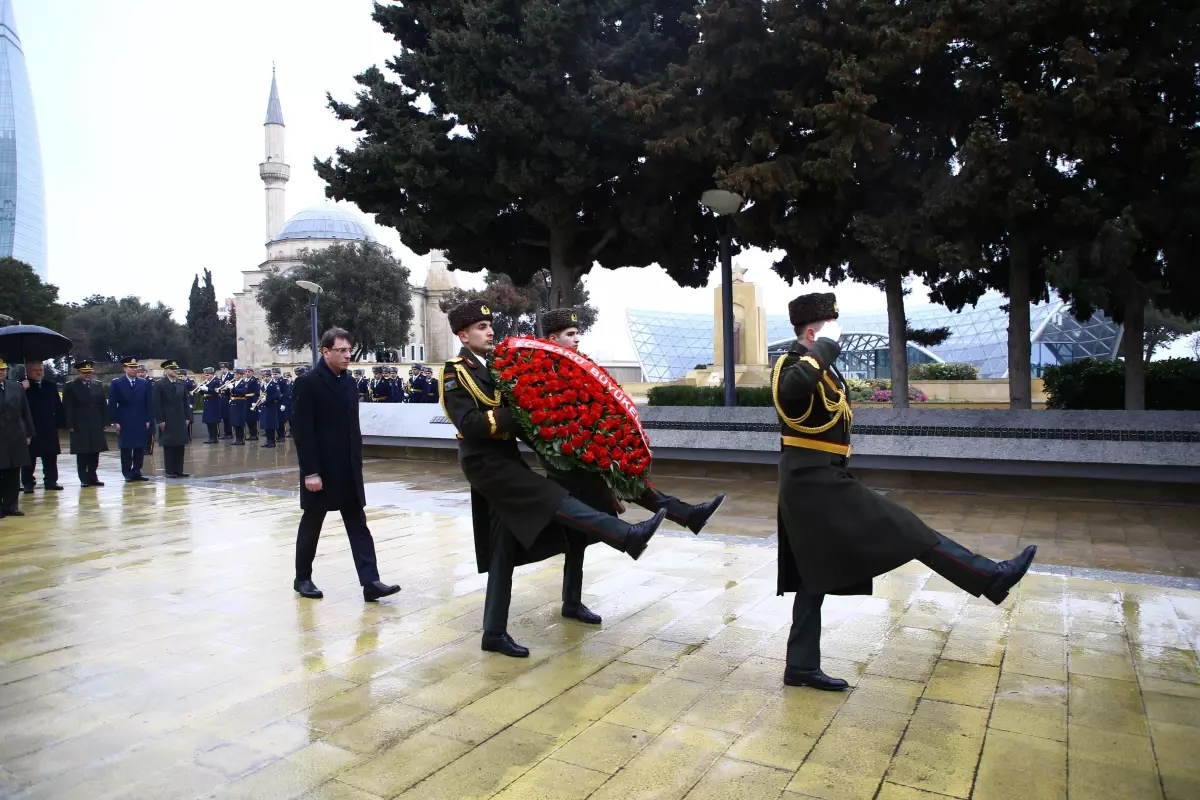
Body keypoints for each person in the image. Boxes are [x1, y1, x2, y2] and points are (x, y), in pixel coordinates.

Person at [774, 292, 1037, 691]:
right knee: (908, 529)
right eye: (827, 332)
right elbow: (795, 389)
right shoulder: (790, 367)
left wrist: (823, 349)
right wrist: (824, 344)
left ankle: (801, 666)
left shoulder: (821, 368)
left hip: (823, 480)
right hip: (812, 484)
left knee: (814, 575)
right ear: (811, 333)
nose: (836, 340)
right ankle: (989, 577)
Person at [441, 302, 665, 658]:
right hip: (484, 463)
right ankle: (625, 537)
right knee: (551, 497)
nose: (489, 331)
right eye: (481, 327)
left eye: (489, 325)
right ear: (463, 335)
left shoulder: (498, 367)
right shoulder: (456, 372)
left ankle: (493, 632)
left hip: (506, 458)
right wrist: (521, 409)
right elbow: (469, 423)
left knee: (503, 548)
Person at [532, 308, 727, 625]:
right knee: (586, 525)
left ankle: (572, 600)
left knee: (584, 528)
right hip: (568, 462)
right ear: (552, 338)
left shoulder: (579, 366)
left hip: (590, 452)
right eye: (569, 334)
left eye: (577, 333)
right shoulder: (542, 371)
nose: (577, 338)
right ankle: (686, 516)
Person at [291, 328, 400, 603]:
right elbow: (303, 431)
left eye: (349, 350)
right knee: (312, 524)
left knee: (358, 525)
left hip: (348, 469)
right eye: (341, 350)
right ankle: (302, 577)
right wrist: (310, 471)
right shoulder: (308, 383)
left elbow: (353, 428)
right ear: (325, 351)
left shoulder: (350, 383)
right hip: (322, 471)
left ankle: (370, 582)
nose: (347, 355)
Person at [63, 360, 108, 487]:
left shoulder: (97, 385)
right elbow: (68, 407)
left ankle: (93, 476)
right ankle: (83, 478)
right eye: (85, 372)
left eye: (90, 372)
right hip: (80, 423)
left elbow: (103, 405)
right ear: (79, 372)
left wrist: (105, 421)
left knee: (95, 452)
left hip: (95, 422)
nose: (88, 375)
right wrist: (69, 424)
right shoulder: (71, 386)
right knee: (82, 453)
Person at [108, 357, 154, 483]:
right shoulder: (117, 383)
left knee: (140, 447)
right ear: (125, 368)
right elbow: (112, 403)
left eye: (136, 367)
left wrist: (148, 419)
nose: (134, 370)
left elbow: (148, 403)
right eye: (131, 367)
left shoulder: (144, 383)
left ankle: (137, 471)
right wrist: (115, 421)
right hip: (125, 419)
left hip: (140, 419)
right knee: (126, 448)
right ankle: (127, 472)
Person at [20, 361, 63, 493]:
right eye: (35, 370)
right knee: (29, 458)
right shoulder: (21, 385)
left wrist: (60, 423)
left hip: (49, 426)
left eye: (41, 370)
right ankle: (28, 482)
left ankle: (51, 481)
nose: (39, 372)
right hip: (31, 427)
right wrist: (21, 390)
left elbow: (57, 405)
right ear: (28, 372)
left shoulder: (50, 385)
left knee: (50, 455)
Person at [0, 359, 34, 517]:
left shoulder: (15, 387)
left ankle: (11, 505)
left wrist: (28, 433)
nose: (1, 372)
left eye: (3, 369)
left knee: (14, 472)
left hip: (15, 434)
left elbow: (25, 410)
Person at [153, 360, 193, 478]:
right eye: (172, 369)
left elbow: (185, 402)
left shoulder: (181, 383)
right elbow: (156, 404)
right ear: (165, 370)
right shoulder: (160, 384)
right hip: (168, 418)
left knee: (180, 445)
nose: (175, 371)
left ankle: (179, 470)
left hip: (180, 418)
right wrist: (160, 420)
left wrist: (188, 417)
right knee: (169, 445)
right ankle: (170, 471)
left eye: (176, 369)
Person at [257, 368, 281, 448]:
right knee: (266, 426)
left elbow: (277, 396)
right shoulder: (263, 385)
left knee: (271, 426)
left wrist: (267, 399)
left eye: (267, 376)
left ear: (270, 376)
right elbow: (261, 395)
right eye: (264, 376)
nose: (265, 378)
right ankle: (268, 441)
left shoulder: (274, 385)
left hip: (271, 407)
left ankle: (272, 442)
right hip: (264, 407)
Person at [199, 367, 222, 443]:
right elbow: (203, 393)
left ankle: (214, 437)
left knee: (213, 422)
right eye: (205, 375)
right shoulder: (207, 382)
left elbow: (216, 392)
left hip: (214, 404)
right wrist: (201, 389)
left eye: (208, 375)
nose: (206, 377)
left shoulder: (216, 381)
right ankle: (210, 437)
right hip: (208, 404)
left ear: (213, 374)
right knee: (208, 421)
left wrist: (207, 389)